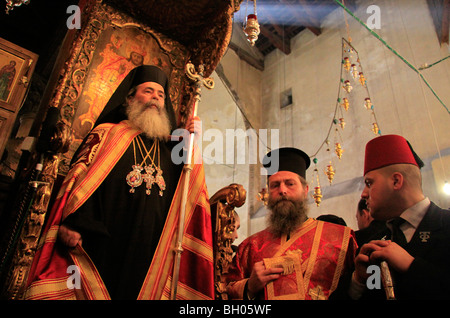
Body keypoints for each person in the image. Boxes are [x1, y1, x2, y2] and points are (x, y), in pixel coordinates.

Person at [24, 65, 214, 300]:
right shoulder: (107, 133)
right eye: (148, 91)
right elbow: (81, 180)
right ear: (130, 98)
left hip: (150, 249)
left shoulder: (172, 149)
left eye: (161, 94)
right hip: (104, 242)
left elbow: (189, 189)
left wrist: (193, 141)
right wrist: (73, 222)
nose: (155, 97)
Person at [225, 147, 357, 300]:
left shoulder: (341, 239)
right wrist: (249, 287)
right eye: (275, 185)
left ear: (305, 190)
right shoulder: (250, 246)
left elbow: (358, 290)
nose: (282, 190)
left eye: (290, 184)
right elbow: (224, 292)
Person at [350, 134, 450, 299]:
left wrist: (411, 265)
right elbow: (373, 292)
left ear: (396, 181)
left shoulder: (446, 225)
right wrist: (359, 281)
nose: (363, 194)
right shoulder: (376, 243)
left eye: (369, 183)